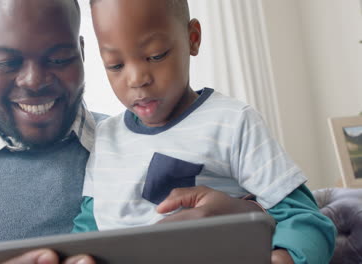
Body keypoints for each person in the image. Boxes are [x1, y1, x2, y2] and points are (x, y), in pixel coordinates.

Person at [0, 0, 264, 264]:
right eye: (7, 62)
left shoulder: (153, 139)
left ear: (83, 53)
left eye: (58, 59)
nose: (34, 81)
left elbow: (286, 219)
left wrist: (248, 217)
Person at [72, 0, 336, 263]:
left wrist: (284, 259)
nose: (136, 79)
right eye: (116, 65)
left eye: (156, 55)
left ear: (192, 39)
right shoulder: (104, 137)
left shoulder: (233, 121)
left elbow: (304, 219)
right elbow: (86, 232)